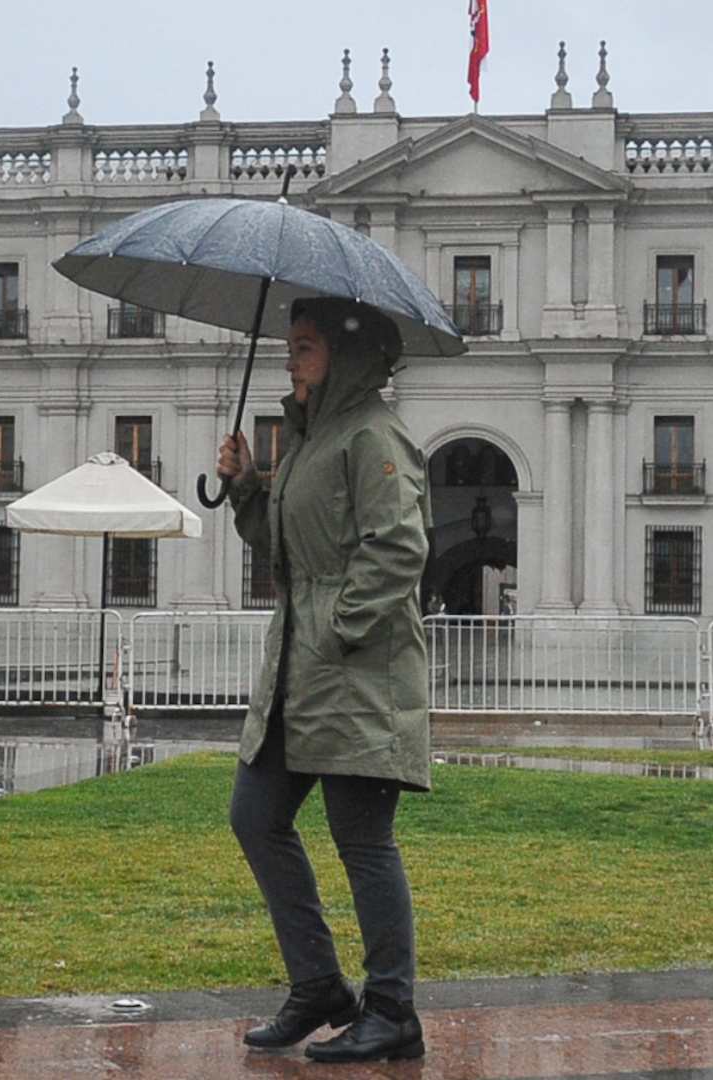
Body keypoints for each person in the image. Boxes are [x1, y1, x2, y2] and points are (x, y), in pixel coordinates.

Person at [216, 296, 432, 1064]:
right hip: (297, 670)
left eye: (303, 345)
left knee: (362, 840)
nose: (288, 357)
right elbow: (286, 548)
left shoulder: (374, 435)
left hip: (356, 671)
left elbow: (399, 548)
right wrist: (246, 488)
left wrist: (340, 629)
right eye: (289, 345)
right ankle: (318, 988)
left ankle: (394, 1010)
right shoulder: (310, 439)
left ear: (346, 354)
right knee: (255, 816)